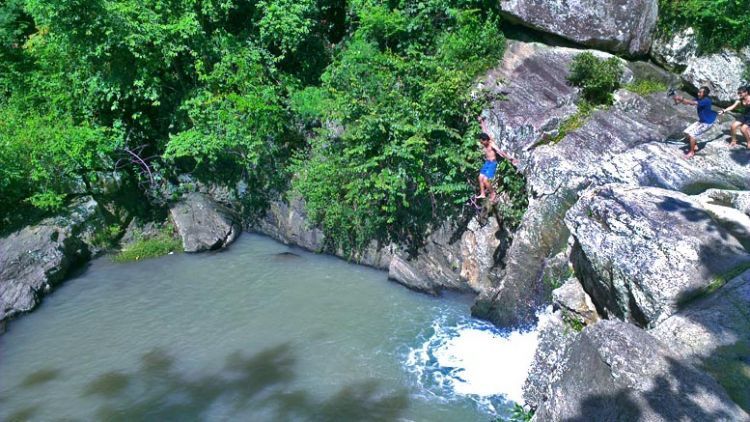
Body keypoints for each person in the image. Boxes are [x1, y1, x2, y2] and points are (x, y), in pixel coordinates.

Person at [475, 116, 518, 202]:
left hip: (492, 163)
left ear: (486, 140)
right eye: (481, 141)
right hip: (487, 163)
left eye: (482, 141)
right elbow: (484, 130)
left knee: (485, 180)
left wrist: (510, 159)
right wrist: (481, 122)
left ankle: (493, 193)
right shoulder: (485, 140)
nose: (481, 143)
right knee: (480, 178)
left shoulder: (491, 144)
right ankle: (483, 193)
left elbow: (500, 152)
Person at [673, 86, 718, 158]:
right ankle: (695, 145)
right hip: (702, 121)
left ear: (705, 94)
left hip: (707, 122)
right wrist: (679, 100)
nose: (698, 93)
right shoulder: (699, 98)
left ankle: (692, 152)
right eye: (698, 92)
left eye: (700, 92)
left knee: (692, 135)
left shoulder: (707, 100)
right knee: (686, 132)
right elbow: (688, 103)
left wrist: (682, 98)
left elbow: (692, 102)